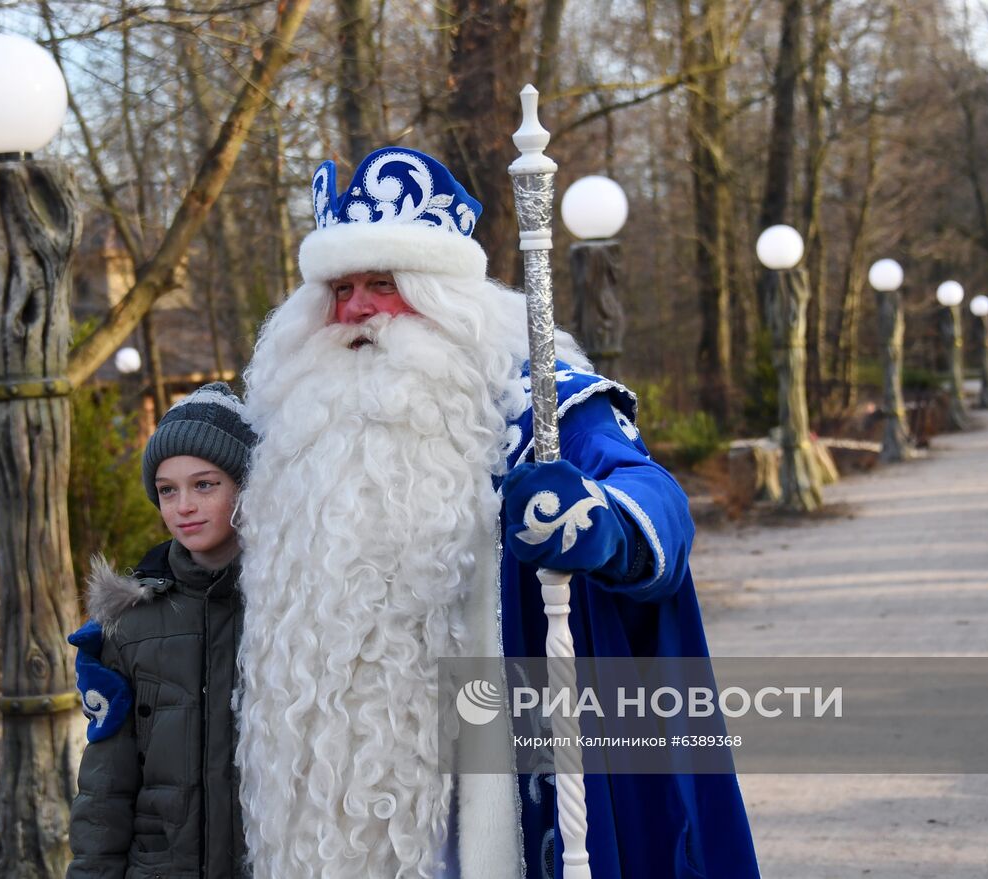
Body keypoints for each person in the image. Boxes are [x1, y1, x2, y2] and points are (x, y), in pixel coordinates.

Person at [233, 147, 758, 878]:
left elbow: (654, 500)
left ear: (441, 295)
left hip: (499, 796)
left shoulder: (537, 411)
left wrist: (596, 521)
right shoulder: (295, 437)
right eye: (339, 287)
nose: (354, 310)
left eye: (381, 284)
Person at [66, 383, 257, 879]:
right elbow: (106, 787)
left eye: (205, 485)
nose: (184, 506)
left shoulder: (288, 610)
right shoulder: (130, 626)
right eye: (168, 490)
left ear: (247, 485)